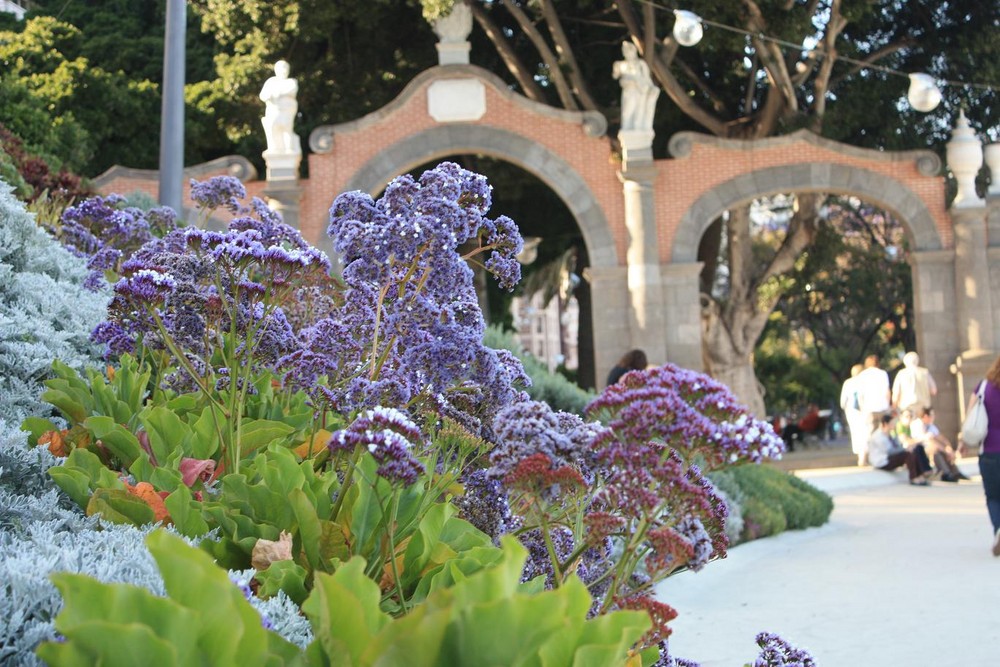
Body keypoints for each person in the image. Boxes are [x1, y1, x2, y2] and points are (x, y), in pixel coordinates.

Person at [966, 355, 1000, 556]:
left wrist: (962, 443)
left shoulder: (983, 387)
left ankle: (998, 529)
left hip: (988, 451)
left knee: (993, 496)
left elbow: (971, 414)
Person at [867, 414, 934, 485]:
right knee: (908, 455)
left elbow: (897, 446)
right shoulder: (878, 436)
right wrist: (905, 449)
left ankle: (921, 474)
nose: (894, 425)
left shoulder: (890, 434)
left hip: (888, 458)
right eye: (892, 423)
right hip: (882, 462)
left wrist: (905, 447)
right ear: (885, 424)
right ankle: (914, 477)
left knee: (916, 449)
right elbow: (890, 451)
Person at [909, 407, 968, 482]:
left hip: (931, 446)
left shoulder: (930, 425)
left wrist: (948, 448)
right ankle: (945, 473)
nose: (933, 417)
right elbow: (929, 441)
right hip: (920, 449)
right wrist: (946, 451)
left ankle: (955, 472)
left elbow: (941, 438)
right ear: (925, 416)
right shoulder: (917, 424)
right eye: (932, 415)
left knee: (942, 450)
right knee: (936, 450)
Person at [612, 42, 659, 133]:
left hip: (640, 90)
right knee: (627, 110)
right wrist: (617, 68)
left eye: (629, 51)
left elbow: (647, 79)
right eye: (625, 51)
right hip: (629, 90)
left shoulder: (641, 64)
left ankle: (637, 128)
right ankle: (626, 128)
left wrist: (652, 89)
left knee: (639, 109)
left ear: (634, 52)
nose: (627, 53)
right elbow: (615, 76)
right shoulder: (621, 64)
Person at [260, 60, 301, 155]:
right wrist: (269, 95)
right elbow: (263, 95)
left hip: (287, 110)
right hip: (274, 110)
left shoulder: (291, 82)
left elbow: (291, 90)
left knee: (287, 129)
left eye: (285, 68)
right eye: (281, 68)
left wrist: (278, 93)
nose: (284, 70)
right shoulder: (271, 82)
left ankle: (289, 148)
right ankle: (275, 148)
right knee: (273, 128)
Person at [840, 364, 869, 466]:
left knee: (856, 433)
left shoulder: (848, 383)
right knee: (865, 433)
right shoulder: (865, 382)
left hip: (851, 412)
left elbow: (843, 402)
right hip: (864, 411)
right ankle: (864, 456)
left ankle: (860, 456)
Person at [891, 351, 937, 415]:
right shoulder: (924, 372)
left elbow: (896, 393)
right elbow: (933, 391)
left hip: (907, 406)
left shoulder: (901, 374)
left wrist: (894, 406)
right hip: (924, 407)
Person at [856, 354, 891, 434]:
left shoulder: (862, 375)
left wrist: (862, 407)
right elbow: (887, 391)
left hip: (868, 407)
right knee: (883, 429)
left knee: (871, 430)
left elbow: (860, 394)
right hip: (882, 406)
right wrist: (888, 404)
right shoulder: (882, 373)